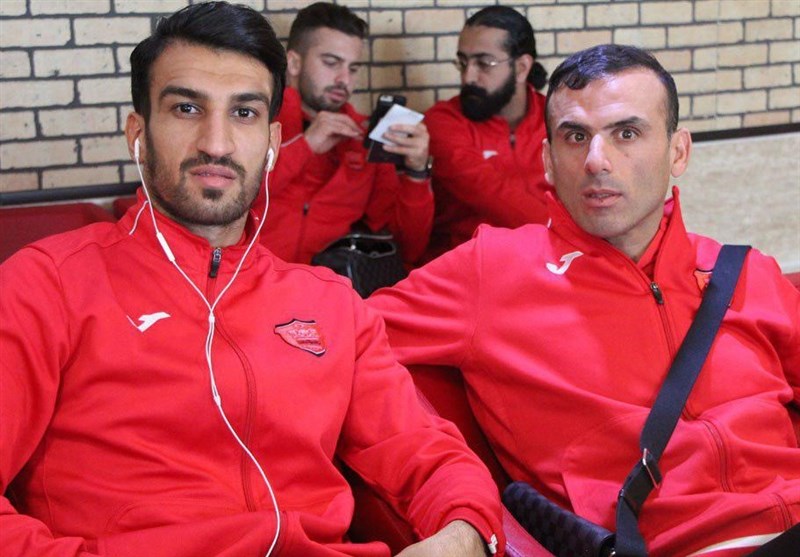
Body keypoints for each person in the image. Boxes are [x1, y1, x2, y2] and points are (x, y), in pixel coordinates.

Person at [0, 3, 506, 556]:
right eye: (187, 108)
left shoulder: (331, 305)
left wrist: (465, 533)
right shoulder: (47, 284)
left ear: (270, 141)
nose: (216, 143)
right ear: (138, 134)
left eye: (243, 113)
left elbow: (429, 455)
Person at [369, 44, 800, 556]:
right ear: (548, 161)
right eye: (575, 137)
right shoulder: (494, 270)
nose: (597, 161)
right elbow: (332, 338)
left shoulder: (746, 271)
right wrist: (458, 503)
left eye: (627, 133)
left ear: (678, 152)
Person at [257, 2, 433, 266]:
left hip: (331, 284)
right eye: (331, 63)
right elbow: (232, 199)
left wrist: (417, 173)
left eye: (352, 68)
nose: (344, 79)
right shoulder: (256, 118)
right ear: (294, 63)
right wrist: (306, 146)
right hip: (249, 278)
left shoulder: (363, 137)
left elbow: (407, 247)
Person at [423, 5, 550, 260]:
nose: (468, 77)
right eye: (463, 62)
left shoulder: (558, 119)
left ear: (522, 67)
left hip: (549, 263)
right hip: (465, 267)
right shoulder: (443, 121)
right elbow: (490, 193)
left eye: (484, 63)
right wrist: (575, 238)